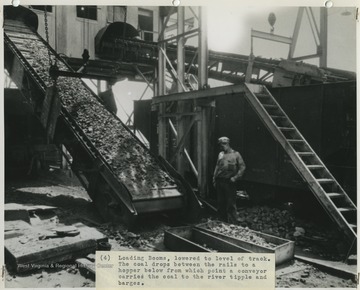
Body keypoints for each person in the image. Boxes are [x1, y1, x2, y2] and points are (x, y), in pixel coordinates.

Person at [213, 137, 246, 223]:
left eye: (224, 144)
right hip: (220, 181)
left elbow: (242, 167)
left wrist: (235, 178)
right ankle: (222, 221)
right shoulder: (220, 154)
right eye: (220, 145)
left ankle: (233, 222)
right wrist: (214, 178)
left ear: (228, 144)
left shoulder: (236, 154)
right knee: (221, 203)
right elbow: (217, 166)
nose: (222, 147)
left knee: (231, 204)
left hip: (229, 182)